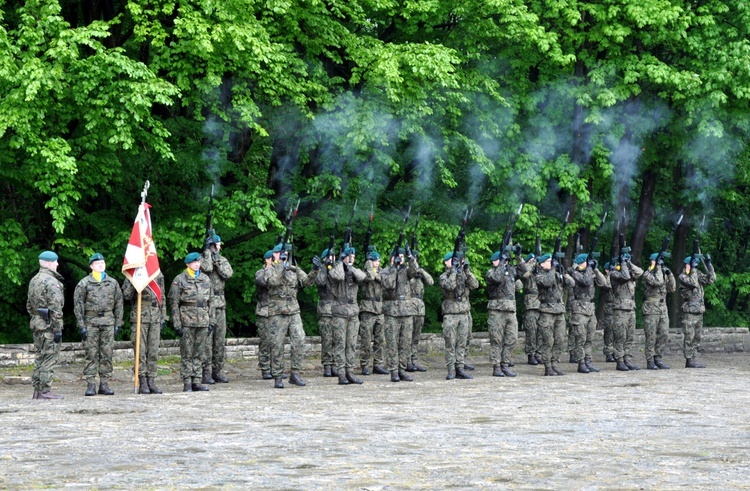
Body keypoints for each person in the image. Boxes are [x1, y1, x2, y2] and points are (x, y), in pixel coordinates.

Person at [74, 253, 123, 396]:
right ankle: (90, 384)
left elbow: (119, 304)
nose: (101, 265)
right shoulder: (84, 283)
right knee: (91, 353)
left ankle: (104, 383)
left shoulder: (112, 283)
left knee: (107, 353)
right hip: (91, 322)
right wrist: (81, 325)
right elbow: (78, 306)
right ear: (91, 266)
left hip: (108, 322)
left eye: (102, 262)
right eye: (97, 263)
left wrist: (118, 323)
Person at [265, 243, 311, 388]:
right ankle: (278, 376)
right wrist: (280, 268)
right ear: (275, 255)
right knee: (277, 344)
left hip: (293, 311)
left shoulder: (293, 269)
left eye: (285, 254)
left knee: (299, 339)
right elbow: (272, 282)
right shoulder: (270, 269)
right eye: (280, 254)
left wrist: (315, 270)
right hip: (277, 312)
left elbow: (307, 282)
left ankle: (295, 373)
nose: (283, 256)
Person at [169, 252, 215, 392]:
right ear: (187, 264)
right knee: (187, 353)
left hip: (203, 320)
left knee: (200, 352)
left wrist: (211, 321)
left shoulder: (205, 279)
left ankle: (197, 380)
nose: (197, 264)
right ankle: (187, 381)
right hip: (187, 320)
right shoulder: (180, 279)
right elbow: (174, 303)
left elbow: (211, 301)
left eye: (198, 262)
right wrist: (177, 324)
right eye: (194, 262)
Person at [27, 251, 65, 400]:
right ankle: (45, 390)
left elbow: (29, 306)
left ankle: (37, 390)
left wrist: (37, 317)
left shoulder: (34, 280)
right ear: (49, 263)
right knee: (49, 357)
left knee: (39, 357)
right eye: (55, 262)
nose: (57, 264)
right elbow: (56, 308)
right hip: (49, 325)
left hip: (37, 323)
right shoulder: (51, 281)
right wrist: (57, 328)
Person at [122, 273, 167, 394]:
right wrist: (134, 282)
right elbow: (126, 295)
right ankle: (142, 380)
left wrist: (163, 316)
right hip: (140, 316)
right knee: (140, 350)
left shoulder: (157, 272)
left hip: (155, 316)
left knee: (153, 351)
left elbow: (162, 296)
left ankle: (151, 380)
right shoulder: (134, 274)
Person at [380, 247, 419, 382]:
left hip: (406, 311)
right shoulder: (385, 271)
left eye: (402, 257)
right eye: (398, 257)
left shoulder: (406, 271)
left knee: (405, 343)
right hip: (391, 311)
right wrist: (393, 268)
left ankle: (402, 369)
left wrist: (410, 257)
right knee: (392, 343)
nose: (400, 259)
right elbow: (389, 284)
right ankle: (394, 370)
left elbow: (415, 271)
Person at [329, 246, 367, 385]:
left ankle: (350, 371)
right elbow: (337, 276)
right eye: (350, 256)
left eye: (353, 256)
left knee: (351, 344)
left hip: (353, 312)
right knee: (340, 344)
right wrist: (341, 263)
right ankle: (341, 373)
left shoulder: (354, 270)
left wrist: (350, 268)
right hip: (339, 312)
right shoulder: (335, 269)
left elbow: (363, 277)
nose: (352, 258)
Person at [439, 251, 479, 380]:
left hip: (463, 313)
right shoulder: (444, 276)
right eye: (452, 260)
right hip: (450, 314)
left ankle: (460, 368)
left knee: (462, 343)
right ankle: (451, 369)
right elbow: (450, 286)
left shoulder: (463, 275)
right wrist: (454, 271)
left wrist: (467, 271)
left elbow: (475, 285)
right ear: (446, 262)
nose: (455, 262)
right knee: (450, 343)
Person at [200, 234, 233, 384]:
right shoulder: (201, 259)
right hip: (207, 304)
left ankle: (217, 370)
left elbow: (228, 273)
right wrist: (207, 252)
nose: (220, 246)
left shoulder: (222, 259)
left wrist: (217, 259)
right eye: (217, 244)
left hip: (220, 303)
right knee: (207, 341)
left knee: (219, 339)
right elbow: (206, 268)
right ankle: (205, 371)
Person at [568, 254, 610, 373]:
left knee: (589, 338)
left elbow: (604, 283)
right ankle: (581, 363)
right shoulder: (575, 273)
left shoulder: (590, 272)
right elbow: (586, 281)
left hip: (590, 309)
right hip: (580, 309)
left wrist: (595, 269)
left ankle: (588, 361)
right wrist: (589, 269)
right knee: (580, 338)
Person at [535, 253, 574, 376]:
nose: (551, 263)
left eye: (552, 261)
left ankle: (555, 363)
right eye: (549, 261)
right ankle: (547, 366)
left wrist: (563, 273)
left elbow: (571, 283)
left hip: (559, 310)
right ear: (542, 264)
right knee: (548, 340)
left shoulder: (556, 274)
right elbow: (547, 282)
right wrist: (553, 269)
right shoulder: (539, 275)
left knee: (560, 339)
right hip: (547, 311)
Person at [486, 250, 523, 377]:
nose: (494, 262)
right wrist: (502, 264)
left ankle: (505, 364)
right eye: (496, 261)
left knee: (512, 338)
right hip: (497, 311)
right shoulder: (491, 273)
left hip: (511, 310)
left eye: (497, 260)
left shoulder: (511, 271)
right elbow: (496, 278)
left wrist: (519, 257)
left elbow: (524, 272)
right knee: (496, 339)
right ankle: (496, 366)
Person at [678, 253, 716, 368]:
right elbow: (693, 283)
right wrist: (693, 269)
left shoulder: (697, 274)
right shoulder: (683, 276)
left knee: (697, 337)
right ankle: (689, 360)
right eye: (692, 265)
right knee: (689, 336)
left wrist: (709, 265)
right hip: (689, 311)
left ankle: (694, 359)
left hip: (699, 310)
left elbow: (711, 279)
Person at [641, 253, 676, 369]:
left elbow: (672, 288)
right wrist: (658, 268)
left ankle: (658, 357)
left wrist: (670, 274)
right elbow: (658, 282)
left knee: (664, 333)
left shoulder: (662, 274)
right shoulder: (647, 274)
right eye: (658, 262)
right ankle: (650, 359)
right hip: (651, 307)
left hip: (662, 307)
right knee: (651, 335)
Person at [609, 253, 644, 371]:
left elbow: (640, 272)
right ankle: (619, 360)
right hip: (620, 310)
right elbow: (625, 276)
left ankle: (627, 358)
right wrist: (623, 264)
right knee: (620, 336)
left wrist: (629, 263)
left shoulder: (629, 273)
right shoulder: (615, 273)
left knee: (630, 336)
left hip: (630, 309)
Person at [359, 249, 388, 375]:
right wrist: (369, 266)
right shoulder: (363, 273)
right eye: (375, 261)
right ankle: (365, 364)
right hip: (367, 308)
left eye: (378, 261)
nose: (377, 263)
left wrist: (376, 272)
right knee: (366, 339)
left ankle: (378, 364)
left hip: (379, 308)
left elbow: (386, 282)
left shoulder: (382, 272)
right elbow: (370, 277)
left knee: (380, 339)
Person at [407, 249, 434, 372]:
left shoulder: (419, 274)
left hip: (419, 309)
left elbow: (431, 281)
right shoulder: (406, 273)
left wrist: (421, 271)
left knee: (416, 337)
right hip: (409, 307)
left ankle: (414, 360)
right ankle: (406, 361)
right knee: (407, 337)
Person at [519, 253, 542, 365]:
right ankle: (531, 354)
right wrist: (532, 267)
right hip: (531, 304)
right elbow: (524, 274)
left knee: (541, 331)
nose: (534, 262)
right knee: (531, 331)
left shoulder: (540, 272)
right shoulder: (527, 272)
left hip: (542, 304)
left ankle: (539, 353)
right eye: (531, 260)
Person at [255, 250, 274, 379]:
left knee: (277, 342)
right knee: (266, 341)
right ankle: (265, 368)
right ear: (267, 260)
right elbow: (264, 282)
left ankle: (276, 368)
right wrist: (269, 268)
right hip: (264, 311)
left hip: (277, 311)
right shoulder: (260, 273)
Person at [601, 263, 616, 363]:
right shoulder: (605, 278)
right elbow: (608, 285)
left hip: (619, 306)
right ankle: (609, 352)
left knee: (619, 331)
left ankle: (616, 351)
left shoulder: (618, 277)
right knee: (609, 331)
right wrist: (610, 274)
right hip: (610, 307)